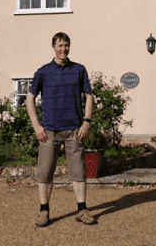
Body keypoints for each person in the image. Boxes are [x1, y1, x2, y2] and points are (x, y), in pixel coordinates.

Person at [26, 32, 96, 227]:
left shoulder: (79, 70)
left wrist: (86, 122)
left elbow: (89, 96)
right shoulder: (43, 72)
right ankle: (44, 212)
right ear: (53, 47)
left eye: (66, 45)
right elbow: (29, 98)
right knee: (45, 172)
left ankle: (82, 210)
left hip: (75, 130)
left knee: (79, 172)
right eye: (60, 45)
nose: (63, 48)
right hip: (49, 131)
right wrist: (36, 126)